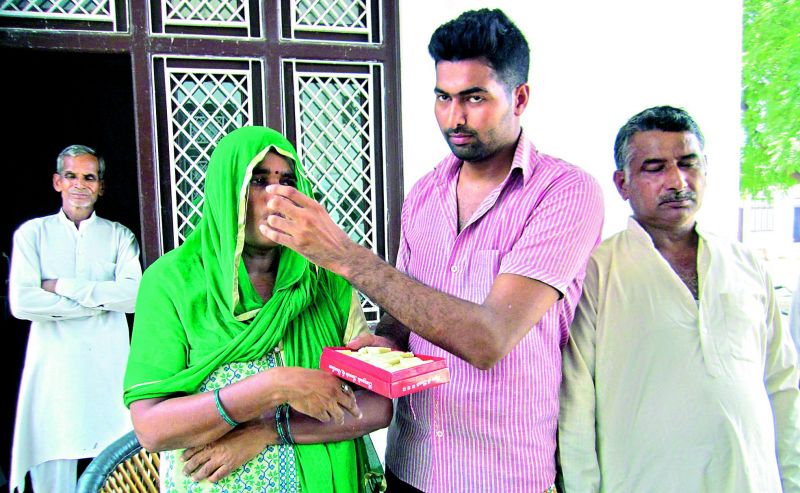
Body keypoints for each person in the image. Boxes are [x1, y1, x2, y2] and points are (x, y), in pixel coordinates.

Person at [259, 9, 604, 492]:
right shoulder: (424, 194)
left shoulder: (564, 193)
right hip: (411, 465)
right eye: (443, 97)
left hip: (502, 478)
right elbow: (404, 321)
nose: (454, 117)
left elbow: (490, 339)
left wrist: (344, 256)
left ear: (520, 98)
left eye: (474, 98)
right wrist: (385, 346)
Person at [123, 126, 392, 493]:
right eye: (258, 181)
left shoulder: (326, 281)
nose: (277, 196)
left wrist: (268, 431)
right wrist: (273, 387)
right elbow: (152, 429)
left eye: (288, 182)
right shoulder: (172, 284)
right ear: (226, 190)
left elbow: (377, 407)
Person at [558, 105, 800, 492]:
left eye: (688, 163)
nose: (677, 181)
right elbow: (575, 403)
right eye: (654, 168)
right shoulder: (595, 271)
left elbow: (782, 385)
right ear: (622, 183)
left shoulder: (745, 264)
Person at [9, 145, 142, 493]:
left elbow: (132, 297)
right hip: (54, 371)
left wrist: (61, 286)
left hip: (108, 366)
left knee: (122, 463)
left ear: (101, 186)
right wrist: (99, 300)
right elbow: (22, 303)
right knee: (52, 456)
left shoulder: (118, 236)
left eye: (89, 177)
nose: (80, 185)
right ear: (57, 182)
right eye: (71, 176)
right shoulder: (32, 235)